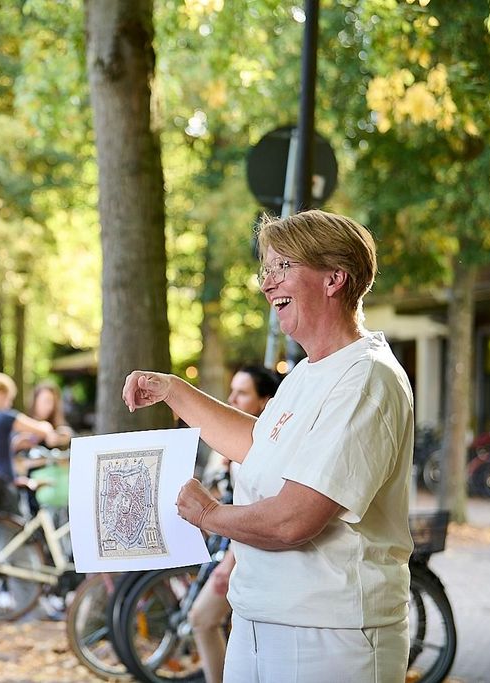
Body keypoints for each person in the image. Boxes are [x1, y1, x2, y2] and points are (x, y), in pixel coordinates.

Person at [123, 210, 415, 682]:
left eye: (283, 267)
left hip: (331, 636)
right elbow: (258, 444)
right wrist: (173, 391)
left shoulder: (366, 378)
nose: (267, 283)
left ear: (334, 278)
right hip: (262, 621)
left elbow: (293, 519)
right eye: (266, 269)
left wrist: (209, 516)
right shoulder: (306, 371)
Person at [187, 365, 280, 683]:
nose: (232, 398)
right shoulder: (232, 447)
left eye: (242, 393)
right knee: (204, 619)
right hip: (238, 548)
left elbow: (259, 514)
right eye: (232, 391)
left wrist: (228, 565)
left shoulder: (268, 451)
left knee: (202, 618)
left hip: (246, 553)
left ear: (265, 401)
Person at [0, 373, 57, 511]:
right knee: (15, 529)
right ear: (0, 393)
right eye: (9, 399)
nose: (9, 404)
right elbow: (42, 429)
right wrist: (48, 428)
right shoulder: (5, 417)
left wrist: (15, 443)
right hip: (5, 486)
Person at [12, 381, 75, 453]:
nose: (49, 406)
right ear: (35, 401)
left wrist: (62, 440)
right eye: (46, 401)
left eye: (52, 402)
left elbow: (70, 435)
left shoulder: (56, 425)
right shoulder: (24, 423)